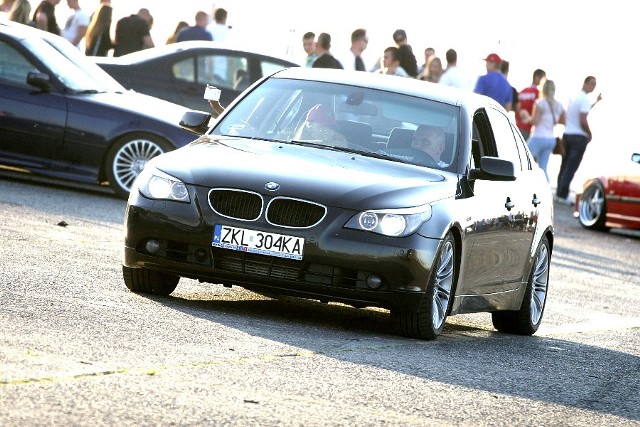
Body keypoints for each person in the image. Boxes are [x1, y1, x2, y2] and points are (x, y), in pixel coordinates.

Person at [555, 76, 603, 204]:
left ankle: (559, 193)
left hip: (567, 134)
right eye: (592, 84)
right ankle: (563, 195)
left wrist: (596, 102)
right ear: (585, 83)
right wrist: (589, 134)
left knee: (564, 165)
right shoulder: (584, 99)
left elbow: (582, 111)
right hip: (578, 137)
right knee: (571, 166)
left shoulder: (575, 98)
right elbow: (583, 119)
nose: (593, 87)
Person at [527, 80, 565, 182]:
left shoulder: (540, 103)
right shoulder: (559, 106)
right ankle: (546, 191)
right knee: (543, 168)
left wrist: (526, 117)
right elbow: (563, 121)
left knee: (523, 161)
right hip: (550, 140)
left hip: (538, 137)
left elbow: (535, 121)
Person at [516, 69, 546, 140]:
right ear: (537, 77)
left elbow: (516, 108)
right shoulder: (538, 93)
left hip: (518, 126)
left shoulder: (522, 91)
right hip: (529, 129)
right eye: (543, 78)